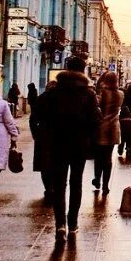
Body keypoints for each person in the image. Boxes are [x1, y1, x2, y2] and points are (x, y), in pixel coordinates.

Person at [44, 57, 100, 242]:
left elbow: (42, 117)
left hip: (57, 143)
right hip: (79, 144)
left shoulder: (54, 91)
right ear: (83, 71)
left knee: (59, 185)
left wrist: (45, 137)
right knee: (76, 183)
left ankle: (60, 225)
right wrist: (91, 141)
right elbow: (95, 120)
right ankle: (73, 224)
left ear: (66, 69)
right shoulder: (89, 93)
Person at [92, 72, 120, 192]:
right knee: (108, 158)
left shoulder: (102, 93)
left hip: (101, 128)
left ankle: (97, 179)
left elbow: (96, 104)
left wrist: (99, 85)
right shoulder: (121, 94)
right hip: (114, 128)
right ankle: (106, 185)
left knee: (98, 157)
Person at [30, 81, 53, 204]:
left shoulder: (41, 98)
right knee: (58, 164)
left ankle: (48, 188)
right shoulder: (62, 98)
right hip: (59, 135)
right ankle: (55, 188)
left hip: (43, 135)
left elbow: (33, 118)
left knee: (44, 165)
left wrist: (35, 134)